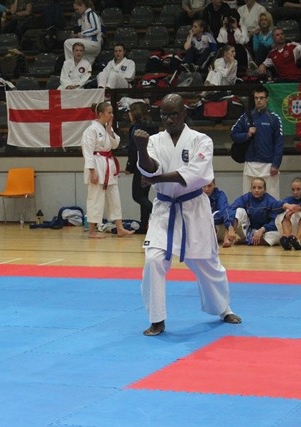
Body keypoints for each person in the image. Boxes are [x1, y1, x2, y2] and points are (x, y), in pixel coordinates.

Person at [134, 93, 241, 336]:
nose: (169, 119)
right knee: (153, 260)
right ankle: (157, 318)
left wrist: (155, 179)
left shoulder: (201, 140)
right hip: (164, 209)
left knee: (207, 264)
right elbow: (150, 168)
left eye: (174, 114)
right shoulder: (154, 141)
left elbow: (196, 173)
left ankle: (223, 308)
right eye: (164, 115)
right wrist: (140, 149)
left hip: (194, 208)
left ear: (184, 113)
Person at [82, 101, 134, 239]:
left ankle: (120, 228)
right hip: (97, 165)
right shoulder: (91, 130)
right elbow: (87, 152)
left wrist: (110, 130)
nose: (112, 115)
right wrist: (92, 171)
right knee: (95, 198)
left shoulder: (106, 129)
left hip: (108, 166)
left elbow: (115, 145)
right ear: (100, 114)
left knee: (114, 197)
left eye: (112, 112)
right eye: (109, 112)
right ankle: (92, 230)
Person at [230, 86, 284, 199]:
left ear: (267, 99)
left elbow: (279, 144)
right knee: (248, 198)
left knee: (272, 199)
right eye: (256, 98)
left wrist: (276, 164)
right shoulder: (246, 117)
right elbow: (233, 134)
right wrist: (247, 135)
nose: (258, 100)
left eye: (261, 98)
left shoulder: (274, 118)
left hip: (269, 165)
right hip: (250, 163)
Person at [124, 102, 158, 235]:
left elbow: (134, 149)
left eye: (130, 111)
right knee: (144, 195)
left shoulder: (136, 128)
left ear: (135, 113)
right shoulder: (153, 126)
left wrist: (130, 166)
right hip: (151, 163)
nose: (128, 114)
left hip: (140, 164)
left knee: (137, 195)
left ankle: (158, 213)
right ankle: (144, 224)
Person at [226, 177, 281, 246]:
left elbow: (276, 220)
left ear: (265, 190)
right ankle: (251, 239)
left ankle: (249, 240)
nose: (256, 190)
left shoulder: (271, 201)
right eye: (254, 187)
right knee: (239, 210)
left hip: (265, 231)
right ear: (251, 189)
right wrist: (230, 227)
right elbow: (231, 209)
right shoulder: (245, 198)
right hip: (249, 230)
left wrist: (262, 229)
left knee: (278, 235)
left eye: (260, 188)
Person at [202, 179, 232, 247]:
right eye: (204, 186)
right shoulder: (197, 196)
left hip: (218, 227)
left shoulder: (220, 195)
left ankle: (226, 237)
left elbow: (224, 212)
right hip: (203, 227)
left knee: (230, 212)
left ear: (214, 185)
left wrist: (209, 220)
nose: (207, 189)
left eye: (209, 186)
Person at [276, 177, 301, 250]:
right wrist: (286, 206)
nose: (295, 192)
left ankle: (298, 240)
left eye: (298, 189)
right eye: (293, 190)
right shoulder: (289, 199)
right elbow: (276, 206)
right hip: (292, 226)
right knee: (284, 216)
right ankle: (288, 239)